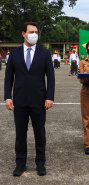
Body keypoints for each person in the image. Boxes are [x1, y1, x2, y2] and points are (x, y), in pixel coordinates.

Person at [4, 22, 55, 176]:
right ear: (23, 34)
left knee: (40, 133)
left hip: (39, 100)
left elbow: (50, 78)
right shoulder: (14, 54)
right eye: (31, 31)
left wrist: (50, 97)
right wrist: (7, 97)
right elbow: (8, 79)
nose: (34, 34)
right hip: (19, 101)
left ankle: (40, 163)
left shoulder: (45, 53)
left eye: (36, 32)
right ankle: (20, 163)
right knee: (20, 134)